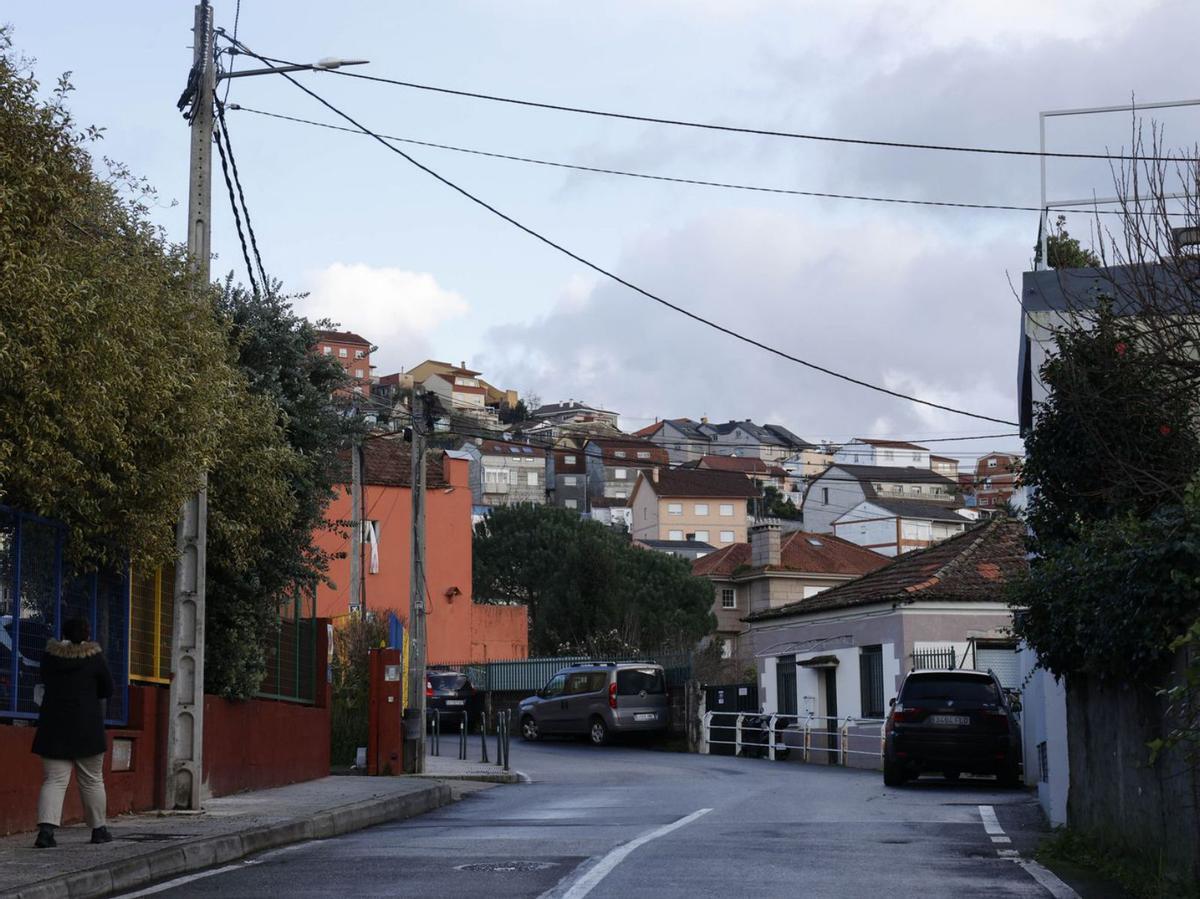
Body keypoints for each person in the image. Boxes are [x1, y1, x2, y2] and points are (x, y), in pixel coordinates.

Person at [31, 617, 114, 848]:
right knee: (92, 781)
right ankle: (99, 830)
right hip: (87, 728)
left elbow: (44, 679)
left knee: (54, 781)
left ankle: (46, 833)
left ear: (64, 633)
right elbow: (108, 688)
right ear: (87, 635)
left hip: (54, 727)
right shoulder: (94, 657)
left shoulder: (50, 656)